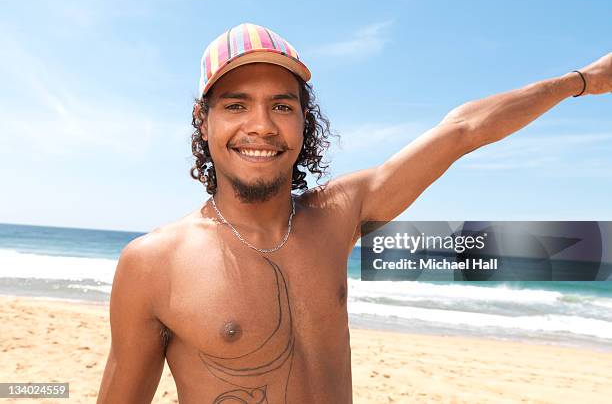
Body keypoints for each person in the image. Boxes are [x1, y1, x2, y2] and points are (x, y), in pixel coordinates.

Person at [97, 22, 611, 403]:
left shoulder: (337, 215)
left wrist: (582, 80)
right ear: (203, 122)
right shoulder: (153, 263)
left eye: (282, 105)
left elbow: (462, 131)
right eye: (235, 105)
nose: (262, 126)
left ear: (304, 121)